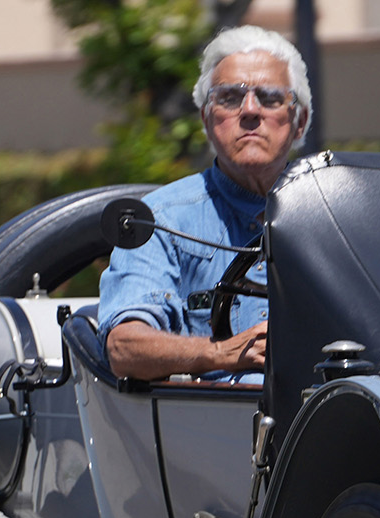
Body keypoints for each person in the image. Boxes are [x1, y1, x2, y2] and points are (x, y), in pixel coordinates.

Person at [97, 26, 312, 382]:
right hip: (211, 427)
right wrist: (219, 354)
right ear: (206, 120)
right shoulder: (159, 221)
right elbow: (124, 348)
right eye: (229, 97)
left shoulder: (339, 215)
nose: (250, 111)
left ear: (300, 122)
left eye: (271, 97)